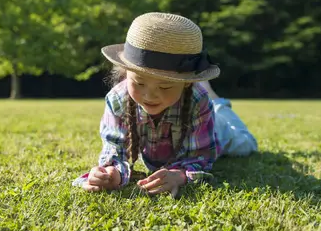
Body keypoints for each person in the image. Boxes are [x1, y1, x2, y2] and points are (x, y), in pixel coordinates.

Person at [72, 12, 258, 197]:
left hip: (215, 129)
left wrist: (181, 176)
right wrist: (111, 173)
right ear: (126, 72)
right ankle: (209, 98)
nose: (149, 95)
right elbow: (114, 148)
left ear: (186, 82)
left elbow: (200, 156)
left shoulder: (197, 101)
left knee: (245, 145)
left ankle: (218, 104)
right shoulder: (118, 98)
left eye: (165, 85)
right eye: (139, 83)